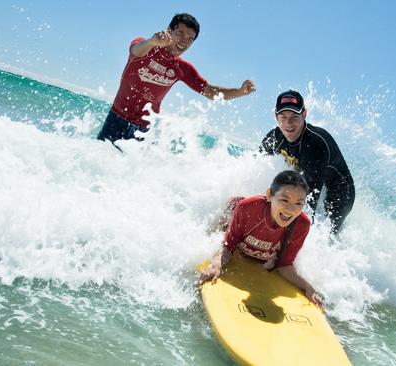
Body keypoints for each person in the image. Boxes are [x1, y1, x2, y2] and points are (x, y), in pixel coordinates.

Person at [97, 13, 256, 146]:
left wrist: (240, 91)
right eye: (180, 34)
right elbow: (136, 50)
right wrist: (152, 41)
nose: (183, 41)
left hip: (144, 129)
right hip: (116, 119)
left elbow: (210, 91)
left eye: (189, 39)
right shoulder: (146, 47)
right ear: (169, 31)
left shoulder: (182, 69)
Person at [198, 170, 322, 307]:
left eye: (299, 203)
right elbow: (228, 245)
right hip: (239, 211)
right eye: (285, 200)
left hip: (257, 213)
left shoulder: (301, 224)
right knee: (220, 226)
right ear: (269, 195)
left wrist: (308, 287)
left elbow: (284, 265)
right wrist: (216, 265)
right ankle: (232, 202)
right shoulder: (248, 209)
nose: (291, 209)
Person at [260, 90, 355, 235]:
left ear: (304, 114)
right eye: (283, 117)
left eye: (294, 117)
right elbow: (256, 166)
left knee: (325, 234)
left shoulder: (315, 144)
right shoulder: (274, 137)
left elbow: (308, 204)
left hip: (340, 193)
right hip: (313, 181)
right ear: (276, 116)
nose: (288, 123)